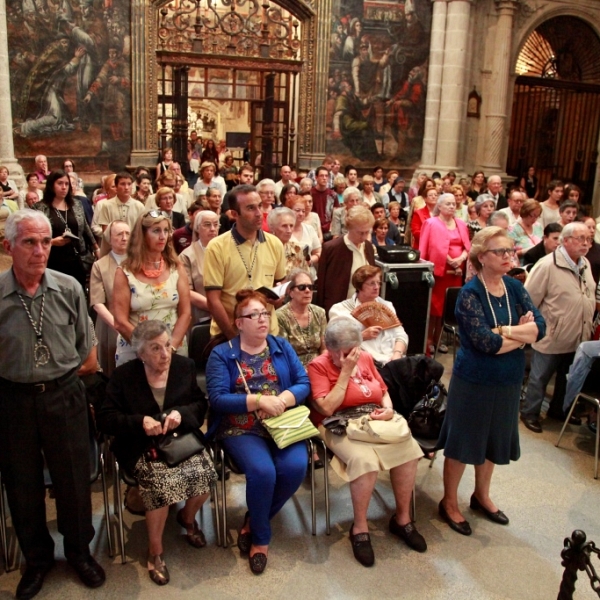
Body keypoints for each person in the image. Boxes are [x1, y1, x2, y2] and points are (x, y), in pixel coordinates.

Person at [0, 210, 105, 598]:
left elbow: (86, 349)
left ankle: (79, 552)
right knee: (22, 483)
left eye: (46, 241)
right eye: (30, 242)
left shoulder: (68, 288)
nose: (40, 250)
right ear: (8, 246)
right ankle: (38, 559)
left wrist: (59, 375)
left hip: (64, 395)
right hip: (12, 399)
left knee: (74, 480)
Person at [437, 227, 544, 536]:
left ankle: (481, 495)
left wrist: (507, 332)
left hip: (508, 379)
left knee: (493, 440)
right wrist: (519, 336)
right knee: (463, 443)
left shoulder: (514, 286)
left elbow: (541, 327)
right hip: (475, 381)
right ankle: (449, 502)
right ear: (481, 257)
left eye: (510, 250)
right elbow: (486, 343)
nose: (509, 256)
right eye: (501, 252)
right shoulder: (469, 294)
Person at [97, 320, 216, 586]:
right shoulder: (124, 376)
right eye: (155, 349)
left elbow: (199, 405)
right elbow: (105, 419)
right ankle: (155, 552)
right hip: (141, 446)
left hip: (181, 440)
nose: (165, 355)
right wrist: (139, 421)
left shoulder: (184, 367)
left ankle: (187, 517)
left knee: (206, 474)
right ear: (140, 354)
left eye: (167, 346)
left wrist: (181, 414)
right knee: (161, 486)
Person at [206, 289, 311, 574]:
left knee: (295, 467)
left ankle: (254, 520)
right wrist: (257, 401)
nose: (262, 319)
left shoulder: (280, 345)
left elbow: (303, 382)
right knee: (263, 472)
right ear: (239, 323)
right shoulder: (222, 354)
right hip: (241, 427)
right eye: (254, 315)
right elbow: (217, 398)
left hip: (282, 421)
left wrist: (281, 401)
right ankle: (261, 540)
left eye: (265, 313)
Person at [307, 317, 426, 566]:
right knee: (364, 461)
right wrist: (345, 373)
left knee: (409, 449)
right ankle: (359, 528)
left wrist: (389, 410)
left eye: (356, 349)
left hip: (373, 419)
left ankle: (402, 520)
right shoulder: (317, 367)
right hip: (338, 424)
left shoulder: (365, 357)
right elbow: (327, 407)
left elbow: (382, 391)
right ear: (331, 349)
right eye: (347, 352)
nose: (353, 355)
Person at [520, 222, 596, 432]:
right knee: (540, 377)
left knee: (566, 378)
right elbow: (529, 300)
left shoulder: (585, 263)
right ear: (565, 240)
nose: (586, 243)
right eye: (580, 238)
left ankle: (558, 410)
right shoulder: (547, 265)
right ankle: (530, 412)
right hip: (552, 333)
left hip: (577, 334)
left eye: (588, 239)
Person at [204, 184, 286, 339]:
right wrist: (234, 338)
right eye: (250, 208)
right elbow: (213, 301)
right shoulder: (217, 247)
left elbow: (280, 283)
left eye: (260, 206)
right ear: (235, 214)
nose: (259, 213)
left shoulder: (275, 243)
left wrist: (279, 297)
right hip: (229, 334)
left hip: (267, 333)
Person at [113, 210, 191, 366]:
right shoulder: (125, 272)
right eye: (156, 231)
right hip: (136, 351)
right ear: (142, 235)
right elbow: (120, 321)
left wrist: (170, 348)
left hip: (173, 350)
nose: (163, 236)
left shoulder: (177, 268)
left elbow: (186, 313)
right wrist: (147, 350)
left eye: (166, 230)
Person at [419, 193, 470, 354]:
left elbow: (467, 246)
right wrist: (450, 260)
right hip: (438, 274)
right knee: (433, 310)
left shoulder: (461, 223)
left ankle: (438, 340)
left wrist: (461, 258)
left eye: (454, 204)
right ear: (439, 206)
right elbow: (428, 247)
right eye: (448, 204)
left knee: (446, 310)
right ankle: (427, 341)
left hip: (456, 274)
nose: (452, 206)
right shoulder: (431, 223)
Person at [329, 266, 408, 365]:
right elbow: (336, 342)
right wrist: (361, 336)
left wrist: (397, 354)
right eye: (371, 283)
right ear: (359, 286)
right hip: (366, 364)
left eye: (378, 283)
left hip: (394, 359)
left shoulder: (387, 306)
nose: (377, 287)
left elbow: (401, 334)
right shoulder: (341, 310)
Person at [34, 170, 99, 290]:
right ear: (51, 185)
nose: (64, 187)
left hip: (77, 258)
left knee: (77, 293)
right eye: (60, 183)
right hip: (53, 259)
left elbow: (85, 227)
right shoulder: (40, 208)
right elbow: (34, 235)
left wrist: (96, 248)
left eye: (66, 184)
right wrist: (52, 242)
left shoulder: (76, 204)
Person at [316, 205, 376, 315]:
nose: (364, 237)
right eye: (360, 232)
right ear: (348, 228)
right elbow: (322, 286)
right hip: (339, 312)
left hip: (364, 310)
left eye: (367, 232)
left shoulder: (368, 246)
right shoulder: (331, 248)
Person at [89, 220, 130, 377]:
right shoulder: (100, 266)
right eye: (119, 234)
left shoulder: (139, 261)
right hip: (111, 325)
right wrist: (119, 326)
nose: (124, 238)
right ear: (109, 238)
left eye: (127, 234)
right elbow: (97, 303)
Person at [276, 269, 326, 366]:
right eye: (302, 287)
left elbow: (324, 349)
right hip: (293, 369)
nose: (307, 291)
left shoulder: (320, 313)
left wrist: (320, 368)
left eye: (310, 287)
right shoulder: (280, 316)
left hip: (319, 367)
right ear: (290, 292)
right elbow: (283, 355)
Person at [180, 210, 220, 326]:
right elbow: (187, 292)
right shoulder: (187, 256)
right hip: (203, 317)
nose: (212, 229)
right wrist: (218, 309)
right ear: (197, 228)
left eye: (216, 224)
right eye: (207, 225)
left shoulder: (228, 251)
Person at [95, 172, 145, 254]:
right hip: (112, 251)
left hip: (132, 251)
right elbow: (106, 232)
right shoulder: (106, 205)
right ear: (116, 187)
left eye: (129, 184)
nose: (126, 187)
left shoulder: (139, 206)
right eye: (122, 184)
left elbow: (141, 231)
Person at [310, 166, 338, 234]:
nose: (324, 178)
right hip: (313, 228)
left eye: (326, 176)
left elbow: (336, 214)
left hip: (328, 229)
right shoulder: (310, 194)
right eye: (321, 176)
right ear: (316, 178)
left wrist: (332, 229)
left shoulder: (333, 194)